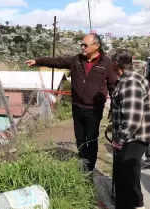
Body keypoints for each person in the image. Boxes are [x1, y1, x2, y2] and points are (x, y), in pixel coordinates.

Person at [25, 33, 118, 172]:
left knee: (91, 139)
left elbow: (113, 87)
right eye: (82, 44)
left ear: (96, 46)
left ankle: (89, 169)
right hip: (77, 107)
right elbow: (58, 62)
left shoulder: (107, 64)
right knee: (80, 138)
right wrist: (38, 61)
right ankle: (82, 163)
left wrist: (115, 109)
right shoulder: (76, 60)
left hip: (94, 109)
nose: (82, 47)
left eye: (85, 45)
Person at [110, 49, 150, 209]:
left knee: (123, 176)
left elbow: (132, 118)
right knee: (131, 172)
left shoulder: (130, 81)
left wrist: (119, 139)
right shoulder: (133, 77)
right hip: (135, 135)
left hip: (134, 136)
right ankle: (138, 204)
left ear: (116, 64)